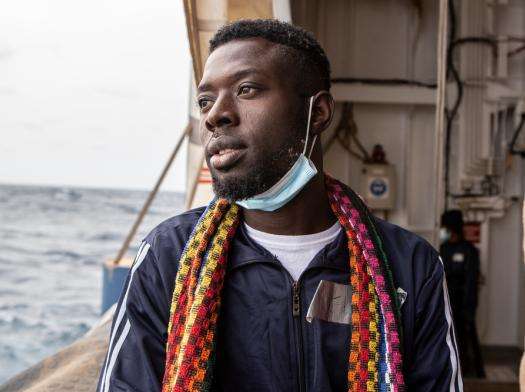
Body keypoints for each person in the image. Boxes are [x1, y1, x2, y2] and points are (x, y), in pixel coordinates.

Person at [97, 19, 462, 392]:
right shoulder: (167, 256)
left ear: (316, 113)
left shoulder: (410, 266)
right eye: (205, 100)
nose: (214, 115)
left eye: (246, 89)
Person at [440, 210, 485, 378]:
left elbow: (472, 281)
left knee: (467, 338)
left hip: (464, 303)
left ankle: (474, 373)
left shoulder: (469, 250)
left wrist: (470, 309)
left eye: (445, 227)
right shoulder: (443, 248)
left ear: (452, 228)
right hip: (446, 302)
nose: (442, 230)